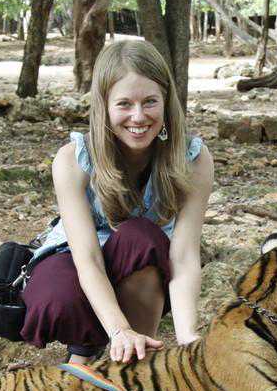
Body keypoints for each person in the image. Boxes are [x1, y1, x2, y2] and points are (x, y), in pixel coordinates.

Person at [21, 40, 214, 366]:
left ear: (166, 102)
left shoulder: (193, 159)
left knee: (142, 236)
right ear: (104, 106)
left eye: (150, 102)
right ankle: (85, 353)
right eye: (124, 104)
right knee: (57, 299)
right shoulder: (74, 160)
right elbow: (88, 259)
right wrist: (119, 329)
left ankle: (135, 361)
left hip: (144, 267)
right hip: (78, 260)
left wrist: (187, 337)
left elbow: (182, 256)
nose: (138, 116)